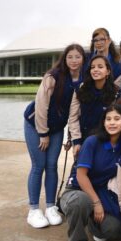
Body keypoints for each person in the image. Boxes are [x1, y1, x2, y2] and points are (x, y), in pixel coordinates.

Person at [23, 43, 85, 228]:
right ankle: (34, 210)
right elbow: (41, 106)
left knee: (51, 165)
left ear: (83, 59)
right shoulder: (53, 76)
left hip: (57, 128)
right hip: (36, 124)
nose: (74, 60)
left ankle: (50, 207)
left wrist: (73, 138)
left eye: (78, 56)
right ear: (64, 59)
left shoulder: (82, 81)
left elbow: (73, 115)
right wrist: (43, 133)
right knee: (39, 165)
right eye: (70, 57)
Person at [60, 104, 121, 241]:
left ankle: (93, 225)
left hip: (101, 191)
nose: (112, 123)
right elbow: (81, 176)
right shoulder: (92, 141)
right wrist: (96, 204)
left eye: (117, 119)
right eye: (108, 119)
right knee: (80, 202)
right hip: (77, 190)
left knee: (113, 229)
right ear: (103, 122)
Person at [68, 55, 118, 157]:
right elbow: (73, 117)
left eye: (100, 67)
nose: (95, 70)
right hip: (82, 140)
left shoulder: (115, 93)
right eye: (92, 67)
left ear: (108, 71)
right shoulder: (80, 89)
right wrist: (76, 141)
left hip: (105, 141)